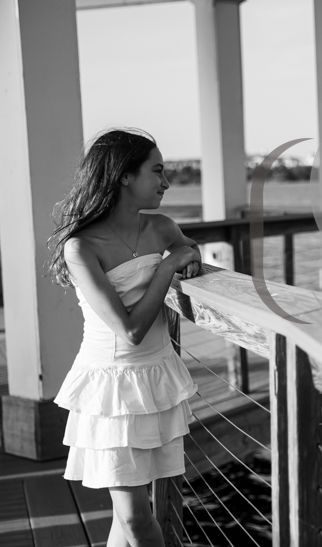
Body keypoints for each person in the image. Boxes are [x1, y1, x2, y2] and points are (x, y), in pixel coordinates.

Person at [47, 128, 202, 547]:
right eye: (158, 171)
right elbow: (130, 331)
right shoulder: (81, 248)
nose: (166, 182)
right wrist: (168, 267)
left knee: (126, 517)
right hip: (111, 389)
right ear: (124, 176)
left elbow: (189, 250)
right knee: (134, 517)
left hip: (158, 379)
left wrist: (189, 260)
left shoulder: (162, 228)